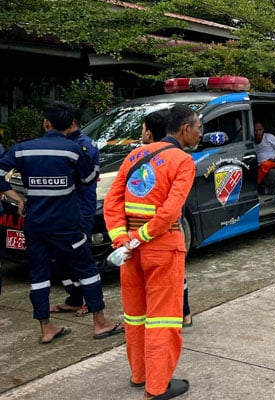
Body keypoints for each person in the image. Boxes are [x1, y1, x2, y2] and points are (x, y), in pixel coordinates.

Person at [0, 101, 123, 344]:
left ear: (46, 123)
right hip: (67, 224)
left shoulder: (22, 150)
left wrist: (18, 198)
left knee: (39, 274)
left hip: (34, 224)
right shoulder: (73, 150)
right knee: (87, 269)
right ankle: (100, 322)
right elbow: (88, 178)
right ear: (70, 125)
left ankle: (46, 328)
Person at [104, 104, 199, 398]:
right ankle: (157, 387)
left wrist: (123, 239)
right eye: (198, 127)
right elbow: (171, 211)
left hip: (130, 252)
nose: (199, 133)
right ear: (185, 129)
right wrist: (142, 236)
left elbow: (112, 201)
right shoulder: (183, 161)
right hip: (161, 247)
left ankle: (139, 374)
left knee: (135, 315)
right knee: (163, 319)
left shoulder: (135, 155)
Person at [141, 110, 193, 328]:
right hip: (168, 225)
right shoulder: (173, 156)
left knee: (166, 275)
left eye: (143, 129)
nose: (142, 133)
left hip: (155, 227)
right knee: (176, 273)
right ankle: (185, 313)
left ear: (150, 133)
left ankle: (178, 314)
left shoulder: (145, 158)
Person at [50, 116, 100, 317]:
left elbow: (85, 178)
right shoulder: (66, 144)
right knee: (62, 257)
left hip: (81, 209)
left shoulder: (84, 145)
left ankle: (93, 300)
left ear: (70, 123)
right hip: (65, 210)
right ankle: (75, 298)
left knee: (82, 256)